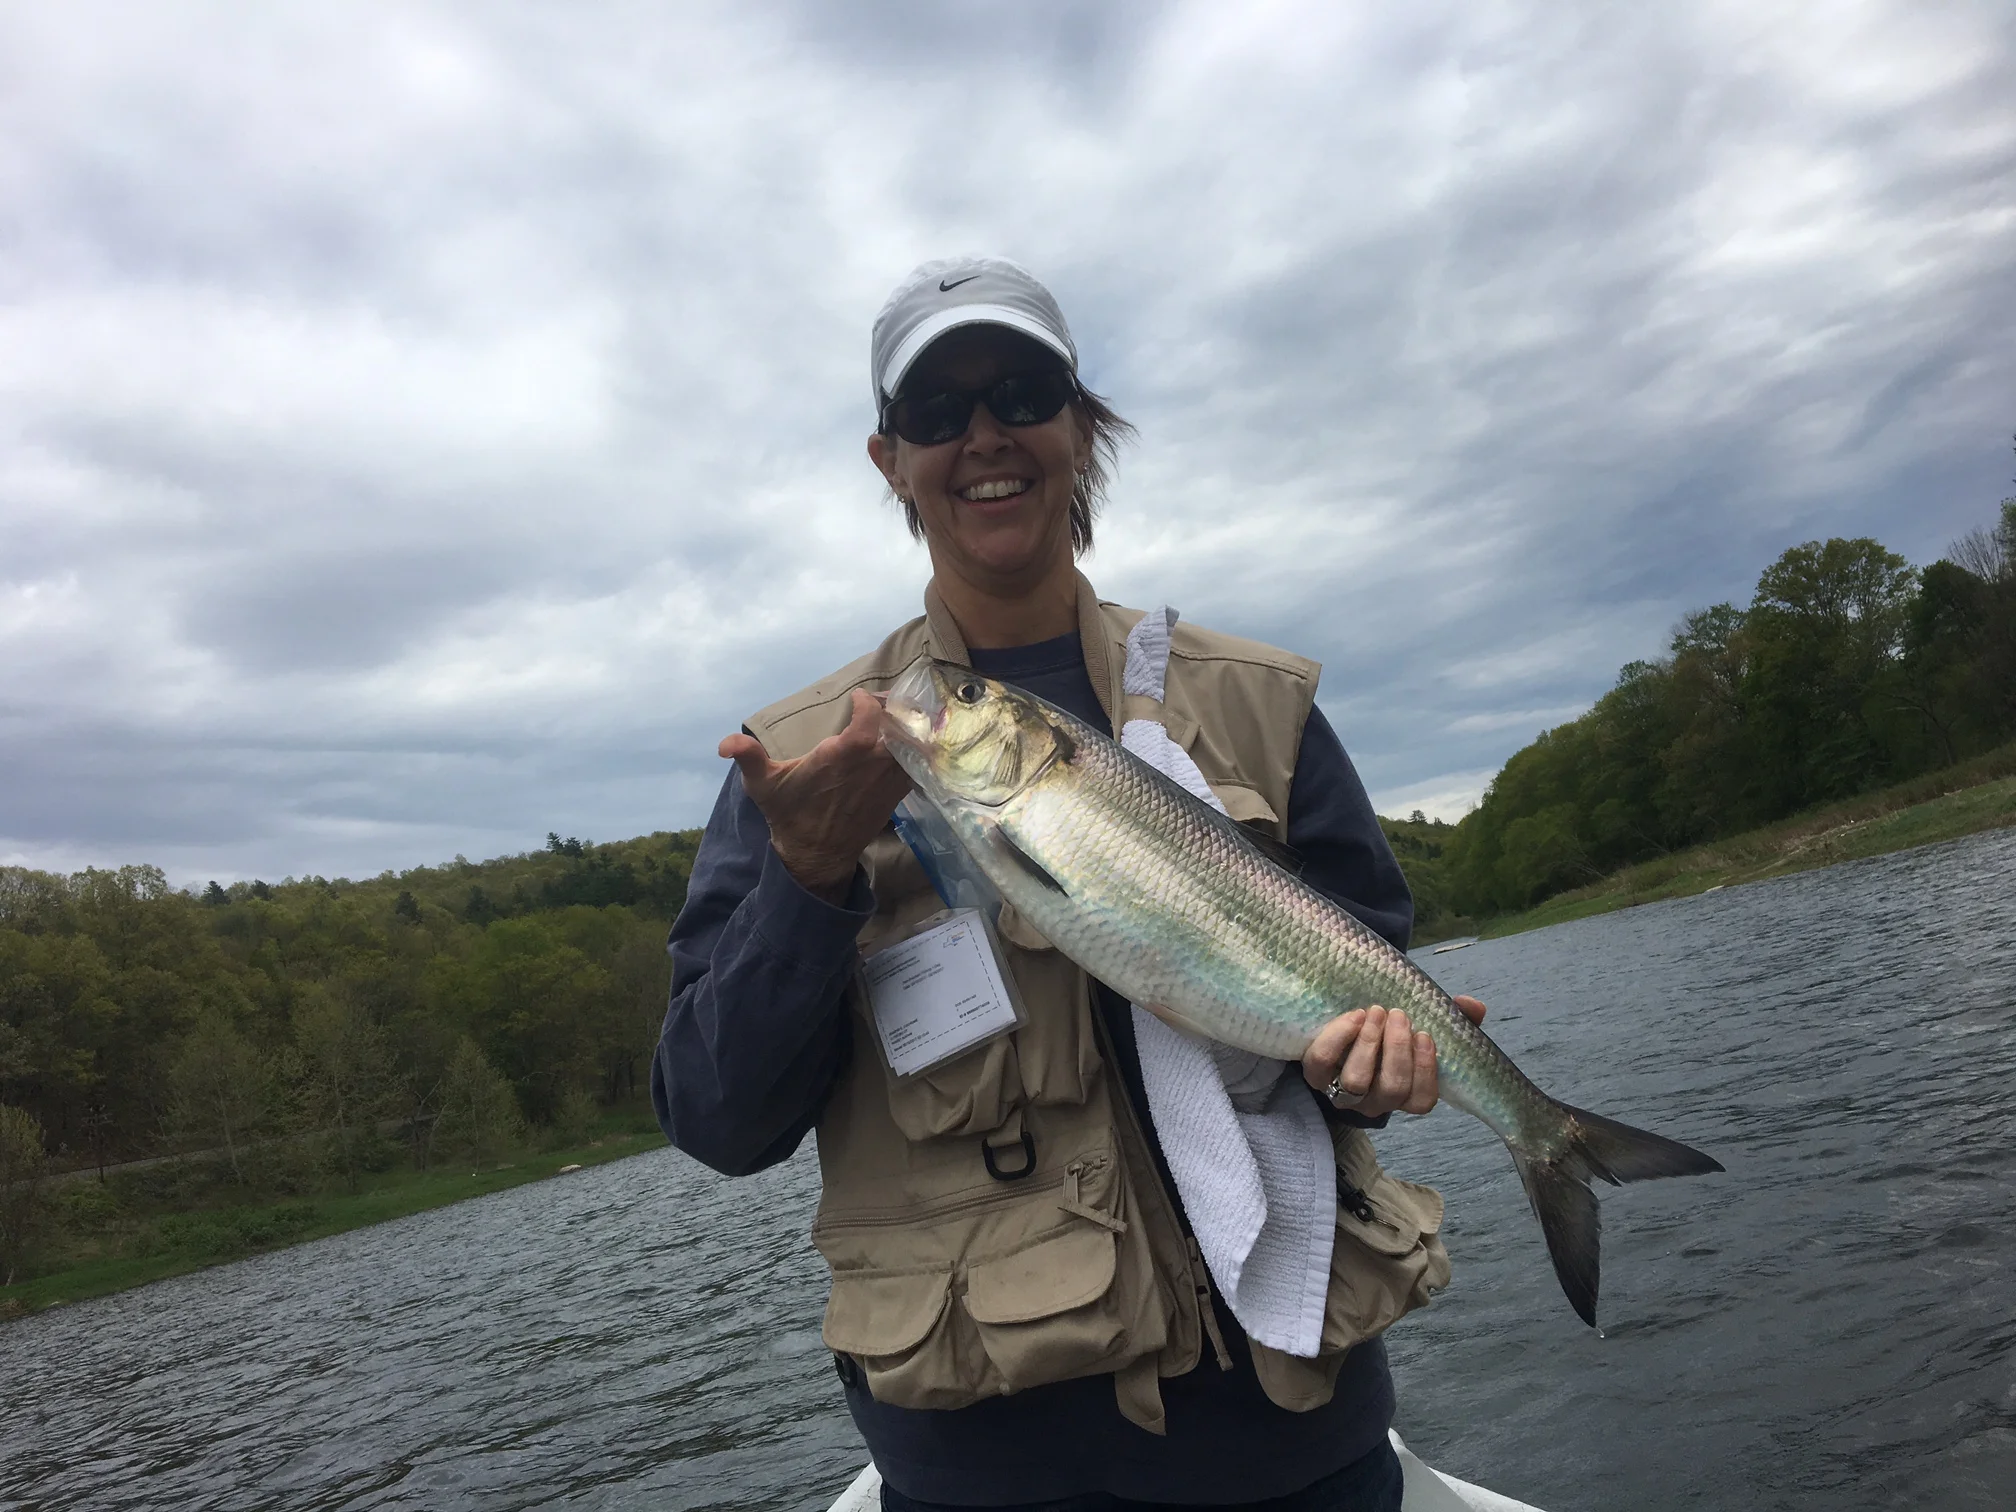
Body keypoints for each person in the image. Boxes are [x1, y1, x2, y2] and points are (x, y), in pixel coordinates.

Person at [653, 257, 1488, 1512]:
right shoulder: (807, 763)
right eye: (938, 411)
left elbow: (1351, 1017)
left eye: (1023, 394)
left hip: (1300, 1448)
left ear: (1081, 426)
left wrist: (1369, 1073)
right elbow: (719, 1120)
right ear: (891, 461)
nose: (984, 435)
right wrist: (808, 877)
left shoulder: (1257, 704)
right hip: (989, 1471)